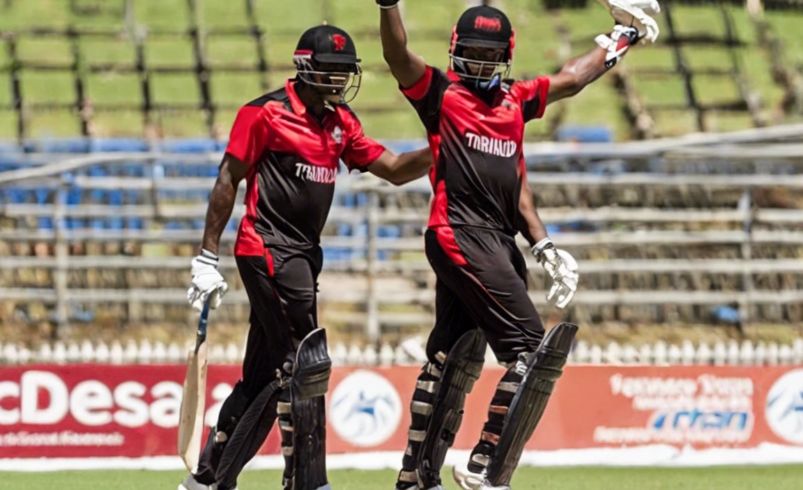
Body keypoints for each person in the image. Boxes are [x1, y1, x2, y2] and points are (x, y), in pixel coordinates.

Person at [374, 2, 657, 489]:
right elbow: (397, 54)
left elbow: (571, 79)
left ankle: (415, 477)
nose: (481, 64)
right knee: (531, 349)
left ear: (505, 56)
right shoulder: (442, 95)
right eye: (473, 53)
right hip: (458, 233)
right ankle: (487, 462)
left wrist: (624, 36)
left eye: (491, 54)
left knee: (451, 355)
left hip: (498, 241)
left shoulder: (514, 103)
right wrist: (387, 4)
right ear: (456, 52)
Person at [180, 24, 433, 490]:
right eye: (330, 70)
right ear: (305, 67)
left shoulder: (341, 122)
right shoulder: (264, 114)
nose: (338, 80)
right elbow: (227, 180)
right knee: (300, 363)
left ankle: (206, 480)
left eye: (345, 72)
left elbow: (395, 170)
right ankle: (302, 480)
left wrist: (442, 148)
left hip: (303, 257)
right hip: (267, 249)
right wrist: (206, 257)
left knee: (262, 376)